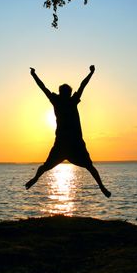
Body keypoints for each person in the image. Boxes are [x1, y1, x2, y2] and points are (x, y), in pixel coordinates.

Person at [25, 65, 111, 198]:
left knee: (47, 166)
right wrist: (91, 73)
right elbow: (82, 85)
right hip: (71, 143)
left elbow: (44, 88)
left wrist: (34, 75)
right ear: (67, 93)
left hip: (68, 143)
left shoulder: (59, 100)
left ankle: (35, 178)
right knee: (89, 167)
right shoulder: (69, 101)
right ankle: (102, 187)